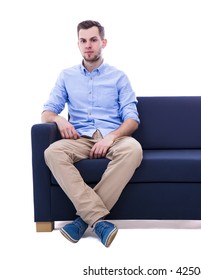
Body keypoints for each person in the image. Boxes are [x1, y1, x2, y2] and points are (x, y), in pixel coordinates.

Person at [42, 20, 143, 247]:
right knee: (52, 153)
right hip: (79, 139)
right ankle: (98, 220)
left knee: (133, 149)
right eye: (83, 41)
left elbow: (132, 119)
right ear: (78, 44)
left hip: (113, 137)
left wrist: (111, 137)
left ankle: (82, 221)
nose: (88, 45)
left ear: (103, 43)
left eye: (93, 40)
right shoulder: (66, 76)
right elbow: (47, 112)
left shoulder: (119, 77)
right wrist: (58, 119)